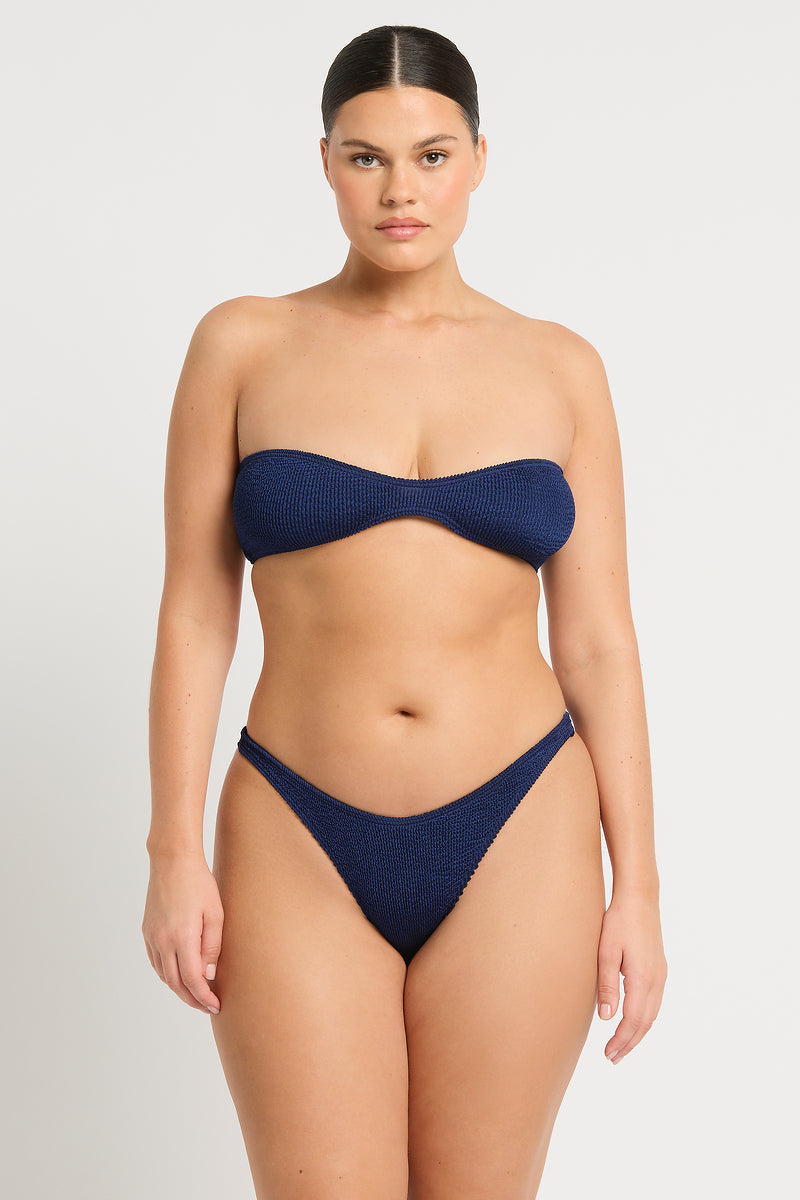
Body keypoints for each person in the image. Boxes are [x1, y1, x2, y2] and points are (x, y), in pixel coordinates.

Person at [142, 23, 667, 1200]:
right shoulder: (243, 344)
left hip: (521, 823)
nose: (399, 191)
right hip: (296, 826)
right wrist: (172, 847)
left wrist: (636, 884)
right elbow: (194, 613)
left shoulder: (558, 366)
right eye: (365, 158)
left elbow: (596, 642)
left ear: (478, 159)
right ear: (324, 163)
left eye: (430, 156)